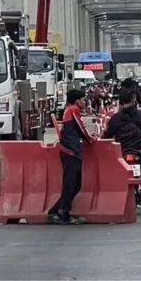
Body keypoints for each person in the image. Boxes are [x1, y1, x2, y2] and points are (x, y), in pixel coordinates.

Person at [48, 89, 95, 224]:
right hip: (71, 152)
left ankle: (56, 211)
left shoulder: (69, 110)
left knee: (75, 185)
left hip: (71, 151)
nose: (85, 102)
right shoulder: (73, 110)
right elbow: (81, 128)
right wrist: (90, 139)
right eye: (83, 99)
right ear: (77, 101)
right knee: (71, 184)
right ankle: (63, 212)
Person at [104, 88, 141, 175]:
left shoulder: (115, 118)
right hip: (139, 150)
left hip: (121, 152)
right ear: (133, 101)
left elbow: (108, 136)